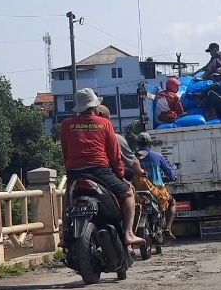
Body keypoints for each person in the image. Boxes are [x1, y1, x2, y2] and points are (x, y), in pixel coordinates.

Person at [59, 88, 145, 247]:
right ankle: (128, 234)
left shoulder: (66, 124)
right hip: (100, 171)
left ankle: (64, 235)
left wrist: (70, 171)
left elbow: (65, 151)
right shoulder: (105, 123)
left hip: (75, 172)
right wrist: (120, 176)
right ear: (95, 106)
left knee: (68, 199)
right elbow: (114, 155)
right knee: (128, 193)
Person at [132, 133, 178, 239]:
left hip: (136, 191)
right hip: (156, 191)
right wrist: (172, 176)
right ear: (149, 143)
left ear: (138, 144)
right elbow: (169, 172)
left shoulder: (132, 157)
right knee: (172, 203)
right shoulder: (157, 156)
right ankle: (167, 228)